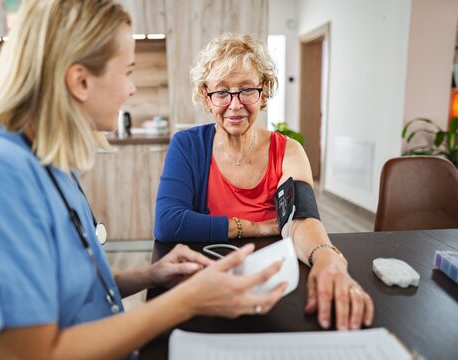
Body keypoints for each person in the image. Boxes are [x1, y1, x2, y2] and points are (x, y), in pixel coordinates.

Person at [0, 2, 289, 359]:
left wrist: (151, 274)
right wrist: (187, 300)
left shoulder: (50, 166)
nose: (131, 89)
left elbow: (68, 285)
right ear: (80, 81)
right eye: (127, 71)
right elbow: (29, 355)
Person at [154, 33, 374, 331]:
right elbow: (168, 223)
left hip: (276, 284)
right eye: (221, 92)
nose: (234, 105)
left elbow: (302, 217)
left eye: (247, 90)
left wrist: (326, 258)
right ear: (206, 97)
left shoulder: (288, 151)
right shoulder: (187, 146)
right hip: (209, 285)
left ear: (265, 91)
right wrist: (256, 226)